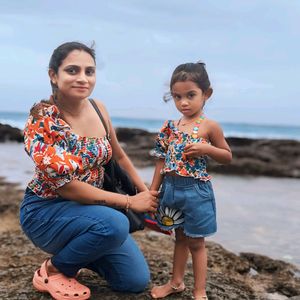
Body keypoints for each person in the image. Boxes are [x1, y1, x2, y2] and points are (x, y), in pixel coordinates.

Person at [20, 41, 159, 300]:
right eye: (72, 71)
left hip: (93, 213)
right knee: (116, 223)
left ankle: (79, 252)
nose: (83, 78)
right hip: (46, 212)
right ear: (53, 75)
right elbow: (68, 186)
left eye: (89, 71)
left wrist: (147, 195)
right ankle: (53, 269)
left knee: (133, 281)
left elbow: (118, 155)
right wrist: (130, 202)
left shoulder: (98, 108)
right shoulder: (43, 121)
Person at [149, 62, 232, 300]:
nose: (183, 102)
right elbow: (160, 161)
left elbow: (227, 156)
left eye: (190, 95)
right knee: (179, 239)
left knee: (197, 243)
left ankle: (200, 291)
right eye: (177, 97)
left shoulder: (210, 126)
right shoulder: (169, 128)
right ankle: (176, 282)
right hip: (171, 190)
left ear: (207, 94)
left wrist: (207, 148)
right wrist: (153, 192)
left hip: (196, 191)